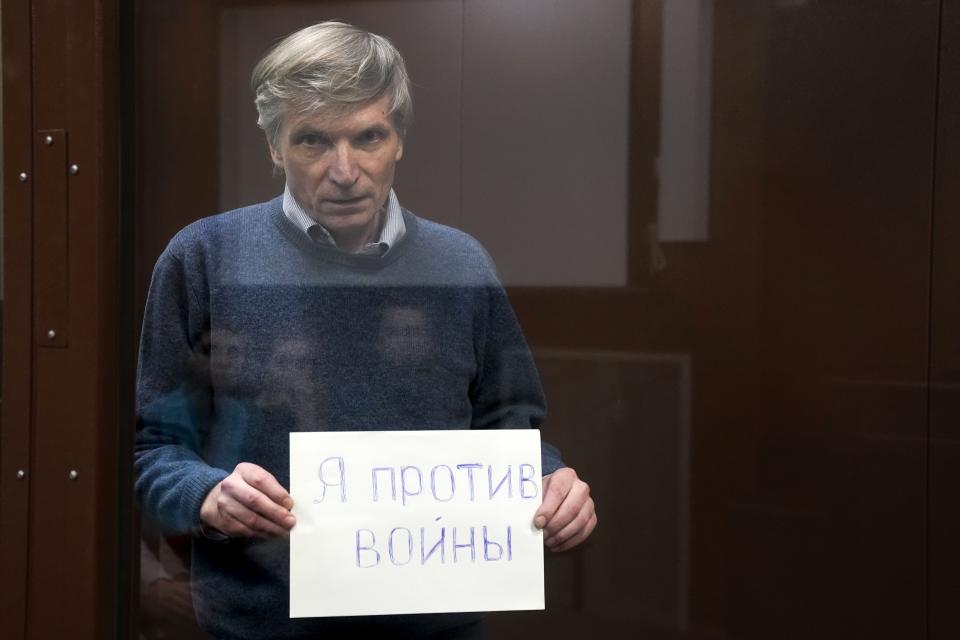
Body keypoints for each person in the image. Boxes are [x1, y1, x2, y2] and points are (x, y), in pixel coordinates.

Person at [135, 21, 596, 639]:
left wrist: (552, 483)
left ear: (399, 138)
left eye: (368, 137)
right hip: (261, 627)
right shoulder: (205, 259)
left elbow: (512, 431)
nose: (345, 170)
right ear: (275, 147)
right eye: (313, 142)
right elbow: (150, 450)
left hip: (437, 627)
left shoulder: (461, 266)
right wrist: (205, 493)